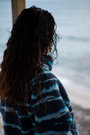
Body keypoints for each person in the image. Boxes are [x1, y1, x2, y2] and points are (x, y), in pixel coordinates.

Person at [0, 6, 79, 135]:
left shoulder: (6, 76)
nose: (52, 40)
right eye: (51, 35)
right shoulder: (44, 82)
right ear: (45, 40)